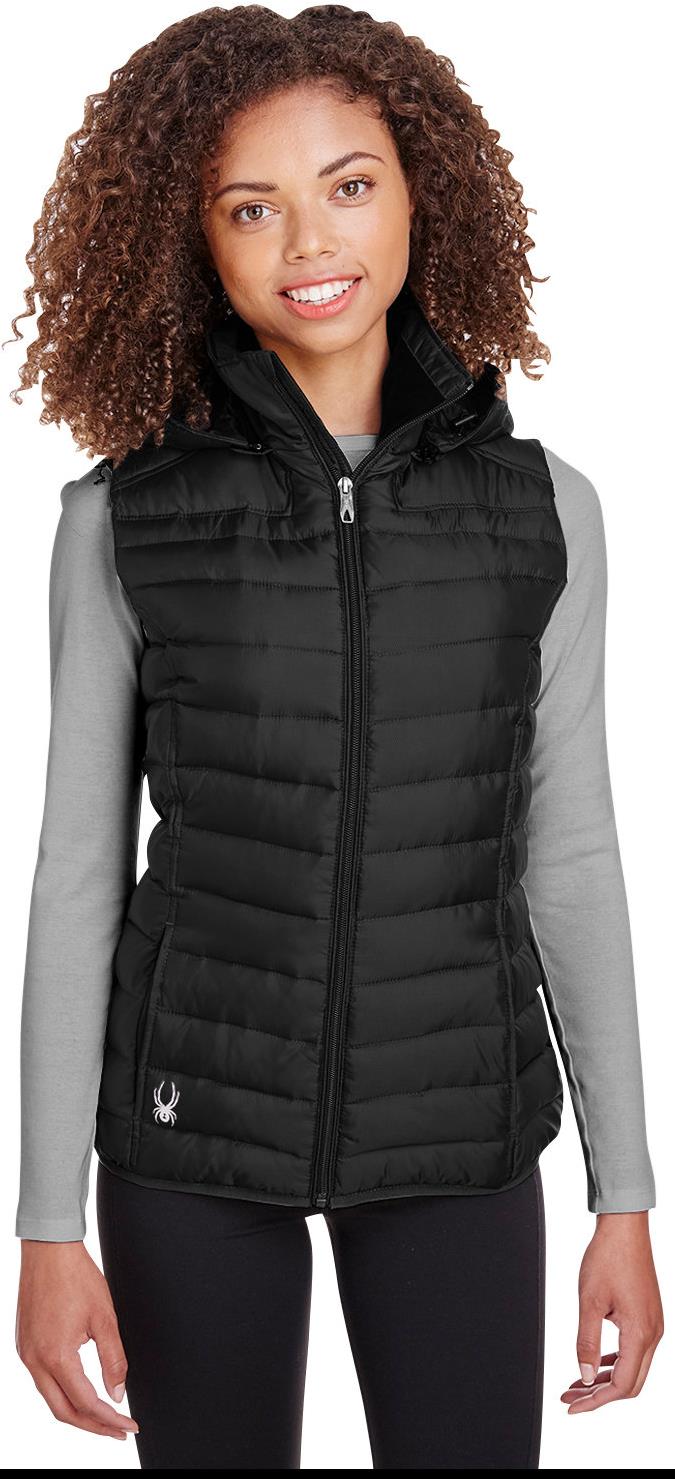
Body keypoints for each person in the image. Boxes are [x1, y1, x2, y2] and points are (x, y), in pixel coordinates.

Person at [11, 5, 663, 1470]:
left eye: (350, 184)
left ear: (425, 193)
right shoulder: (123, 518)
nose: (310, 240)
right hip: (189, 1136)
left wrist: (625, 1197)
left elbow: (571, 855)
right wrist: (47, 1223)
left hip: (459, 1128)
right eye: (252, 206)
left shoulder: (544, 511)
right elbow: (76, 875)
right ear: (195, 240)